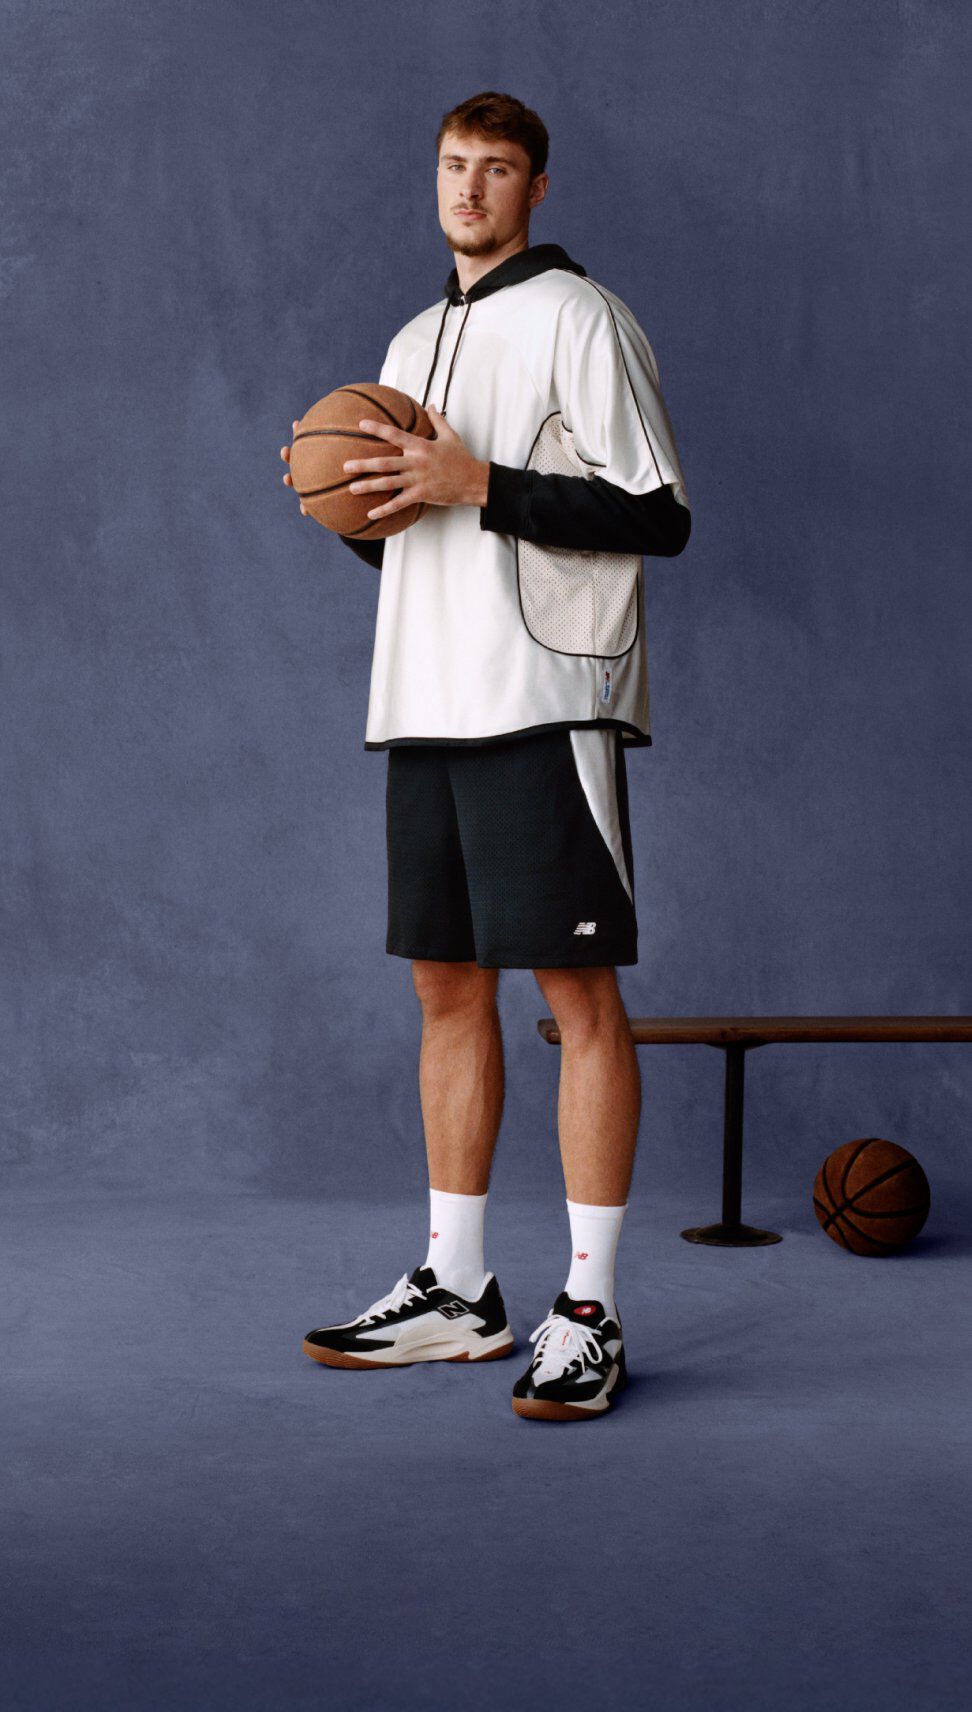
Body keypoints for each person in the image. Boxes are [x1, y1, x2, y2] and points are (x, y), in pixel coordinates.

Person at [281, 91, 690, 1420]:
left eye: (496, 169)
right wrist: (351, 499)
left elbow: (657, 513)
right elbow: (415, 527)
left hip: (542, 698)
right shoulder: (410, 339)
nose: (468, 189)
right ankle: (458, 1290)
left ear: (536, 189)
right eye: (454, 166)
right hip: (423, 699)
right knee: (445, 994)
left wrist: (483, 486)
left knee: (574, 1000)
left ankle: (589, 1309)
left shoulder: (584, 316)